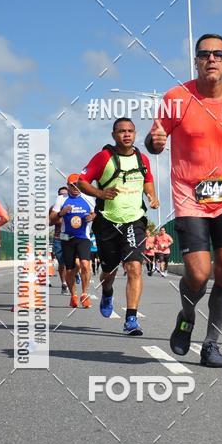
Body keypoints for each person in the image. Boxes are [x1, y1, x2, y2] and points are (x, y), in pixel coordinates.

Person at [145, 33, 222, 367]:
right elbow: (155, 141)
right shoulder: (177, 98)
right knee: (199, 275)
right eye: (204, 54)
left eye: (218, 54)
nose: (211, 59)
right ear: (196, 61)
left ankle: (212, 344)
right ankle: (187, 316)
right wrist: (155, 141)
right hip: (190, 198)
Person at [77, 118, 159, 335]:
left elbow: (147, 179)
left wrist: (152, 195)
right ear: (114, 135)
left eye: (130, 131)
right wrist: (100, 193)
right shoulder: (104, 157)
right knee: (109, 270)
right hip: (107, 221)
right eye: (121, 131)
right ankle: (107, 290)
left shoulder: (142, 158)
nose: (126, 135)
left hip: (134, 220)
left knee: (134, 267)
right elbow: (81, 181)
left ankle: (131, 318)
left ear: (135, 133)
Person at [49, 174, 95, 308]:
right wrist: (61, 213)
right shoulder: (61, 199)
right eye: (72, 185)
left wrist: (91, 216)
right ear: (68, 186)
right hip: (66, 238)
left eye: (77, 184)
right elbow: (51, 220)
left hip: (83, 237)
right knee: (69, 270)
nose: (75, 187)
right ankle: (73, 295)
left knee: (85, 265)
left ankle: (85, 294)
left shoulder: (88, 198)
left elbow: (96, 213)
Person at [49, 186, 69, 293]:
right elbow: (49, 222)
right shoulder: (53, 208)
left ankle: (75, 275)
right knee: (62, 263)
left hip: (72, 237)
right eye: (61, 194)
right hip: (58, 238)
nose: (63, 196)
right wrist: (59, 216)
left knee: (75, 263)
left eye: (65, 194)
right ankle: (64, 284)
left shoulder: (73, 205)